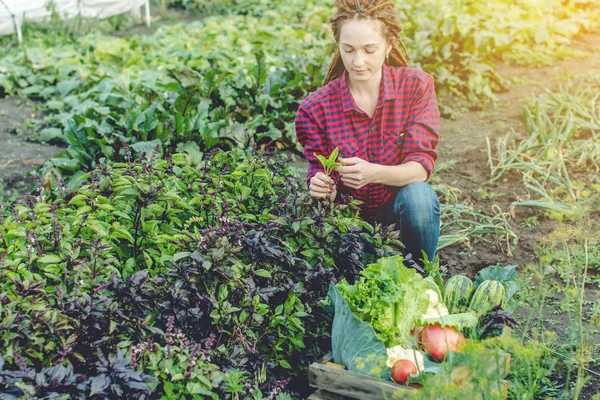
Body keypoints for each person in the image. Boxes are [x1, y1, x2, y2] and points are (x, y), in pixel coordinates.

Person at [294, 0, 440, 269]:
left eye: (369, 50)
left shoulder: (416, 87)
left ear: (389, 46)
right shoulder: (315, 108)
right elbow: (318, 170)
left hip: (397, 213)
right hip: (349, 222)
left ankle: (420, 277)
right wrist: (322, 186)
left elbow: (420, 169)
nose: (357, 61)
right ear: (338, 47)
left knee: (420, 197)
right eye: (348, 50)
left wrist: (374, 172)